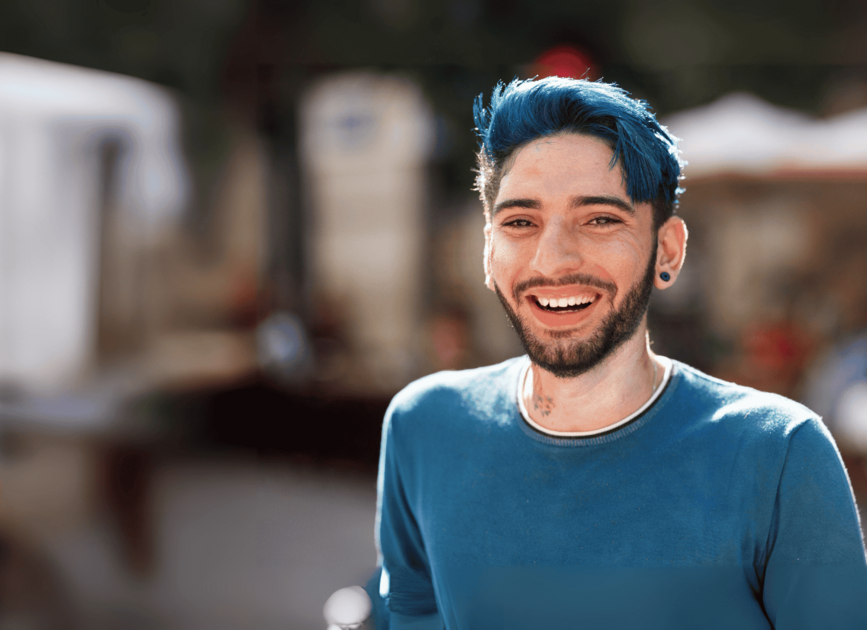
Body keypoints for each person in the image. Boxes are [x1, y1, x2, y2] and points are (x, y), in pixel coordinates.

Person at [371, 77, 867, 629]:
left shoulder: (779, 453)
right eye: (520, 222)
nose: (553, 260)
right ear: (489, 251)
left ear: (668, 251)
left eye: (600, 219)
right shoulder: (423, 426)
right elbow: (411, 610)